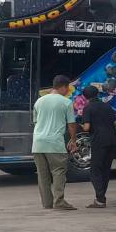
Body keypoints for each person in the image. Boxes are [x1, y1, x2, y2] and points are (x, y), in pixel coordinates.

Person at [32, 74, 78, 211]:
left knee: (42, 175)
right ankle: (59, 201)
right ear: (63, 87)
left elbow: (35, 122)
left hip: (38, 143)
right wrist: (73, 140)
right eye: (67, 88)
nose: (68, 91)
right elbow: (71, 124)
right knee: (58, 171)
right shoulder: (66, 102)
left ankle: (47, 203)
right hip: (55, 143)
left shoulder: (39, 101)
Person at [77, 84, 116, 208]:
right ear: (97, 94)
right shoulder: (107, 106)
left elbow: (87, 127)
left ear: (85, 97)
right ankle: (101, 198)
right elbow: (115, 122)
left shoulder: (88, 108)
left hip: (99, 142)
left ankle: (100, 199)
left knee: (95, 171)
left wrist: (78, 124)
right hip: (112, 141)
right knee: (105, 170)